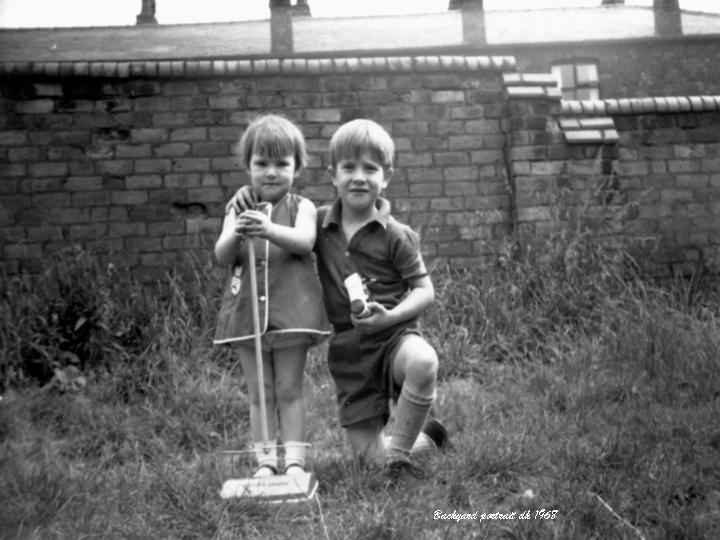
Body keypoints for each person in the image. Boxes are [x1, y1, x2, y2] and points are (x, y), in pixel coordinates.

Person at [230, 118, 447, 481]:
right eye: (348, 167)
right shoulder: (317, 224)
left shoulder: (397, 235)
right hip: (351, 354)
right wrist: (243, 196)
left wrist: (389, 317)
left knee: (424, 362)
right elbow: (282, 218)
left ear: (387, 176)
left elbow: (426, 292)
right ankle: (427, 439)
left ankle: (399, 464)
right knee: (370, 460)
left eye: (370, 168)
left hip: (394, 338)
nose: (358, 177)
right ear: (333, 175)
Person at [213, 114, 330, 478]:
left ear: (297, 167)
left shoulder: (303, 207)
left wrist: (267, 229)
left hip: (291, 314)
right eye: (261, 163)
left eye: (282, 163)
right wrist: (239, 232)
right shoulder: (237, 207)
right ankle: (265, 463)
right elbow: (222, 255)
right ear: (248, 166)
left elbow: (305, 242)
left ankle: (294, 461)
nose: (271, 172)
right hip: (247, 315)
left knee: (288, 388)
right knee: (260, 392)